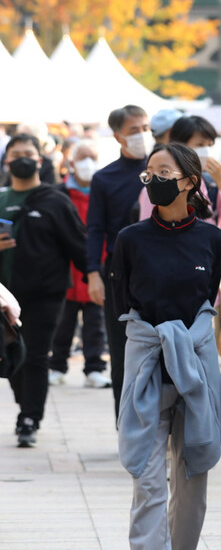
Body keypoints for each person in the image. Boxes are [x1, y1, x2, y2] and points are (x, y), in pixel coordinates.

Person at [112, 143, 221, 550]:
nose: (153, 179)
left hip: (196, 369)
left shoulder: (213, 240)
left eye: (165, 171)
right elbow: (123, 305)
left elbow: (208, 300)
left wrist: (188, 343)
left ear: (189, 181)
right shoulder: (131, 239)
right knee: (148, 478)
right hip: (147, 366)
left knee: (193, 477)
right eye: (149, 172)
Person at [0, 134, 87, 447]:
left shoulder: (55, 200)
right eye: (16, 153)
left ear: (40, 160)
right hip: (4, 296)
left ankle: (29, 418)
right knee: (11, 355)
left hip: (45, 294)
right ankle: (26, 406)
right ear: (7, 161)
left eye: (28, 153)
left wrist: (97, 278)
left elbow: (78, 245)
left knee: (36, 355)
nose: (22, 158)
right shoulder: (0, 198)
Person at [87, 105, 154, 420]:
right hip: (118, 270)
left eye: (145, 127)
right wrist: (92, 273)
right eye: (134, 130)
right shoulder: (105, 178)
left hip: (158, 265)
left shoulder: (161, 170)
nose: (142, 134)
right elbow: (94, 228)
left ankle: (158, 421)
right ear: (117, 136)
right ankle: (124, 421)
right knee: (120, 351)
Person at [49, 140, 111, 389]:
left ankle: (94, 368)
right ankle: (57, 366)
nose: (88, 163)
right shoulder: (58, 193)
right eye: (83, 157)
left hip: (97, 265)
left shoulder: (104, 191)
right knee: (62, 321)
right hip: (65, 268)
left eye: (92, 157)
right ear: (71, 162)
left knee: (96, 322)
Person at [137, 115, 221, 229]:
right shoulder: (158, 187)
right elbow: (147, 232)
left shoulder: (212, 185)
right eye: (200, 145)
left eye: (210, 145)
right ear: (180, 147)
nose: (206, 151)